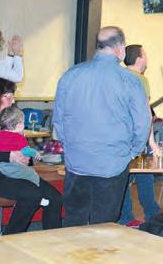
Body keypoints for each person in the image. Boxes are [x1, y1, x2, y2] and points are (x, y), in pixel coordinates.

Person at [53, 27, 151, 227]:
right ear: (120, 48)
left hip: (77, 163)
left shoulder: (71, 75)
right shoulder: (130, 80)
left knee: (74, 221)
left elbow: (58, 119)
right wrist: (133, 151)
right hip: (111, 163)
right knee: (104, 226)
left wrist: (71, 146)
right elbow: (143, 122)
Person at [0, 77, 61, 234]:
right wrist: (9, 156)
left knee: (55, 198)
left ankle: (52, 240)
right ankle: (11, 237)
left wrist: (23, 156)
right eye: (9, 97)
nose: (13, 101)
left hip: (15, 171)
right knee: (32, 195)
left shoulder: (9, 118)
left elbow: (22, 148)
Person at [119, 44, 160, 226]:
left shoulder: (119, 75)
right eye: (146, 55)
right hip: (137, 137)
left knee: (124, 177)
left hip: (120, 137)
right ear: (139, 58)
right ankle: (152, 215)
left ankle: (125, 218)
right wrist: (152, 142)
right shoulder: (140, 79)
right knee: (145, 175)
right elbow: (145, 113)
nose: (147, 58)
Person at [0, 105, 42, 187]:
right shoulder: (19, 138)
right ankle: (37, 188)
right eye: (23, 123)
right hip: (14, 168)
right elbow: (26, 151)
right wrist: (35, 153)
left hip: (0, 167)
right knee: (32, 174)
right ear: (18, 126)